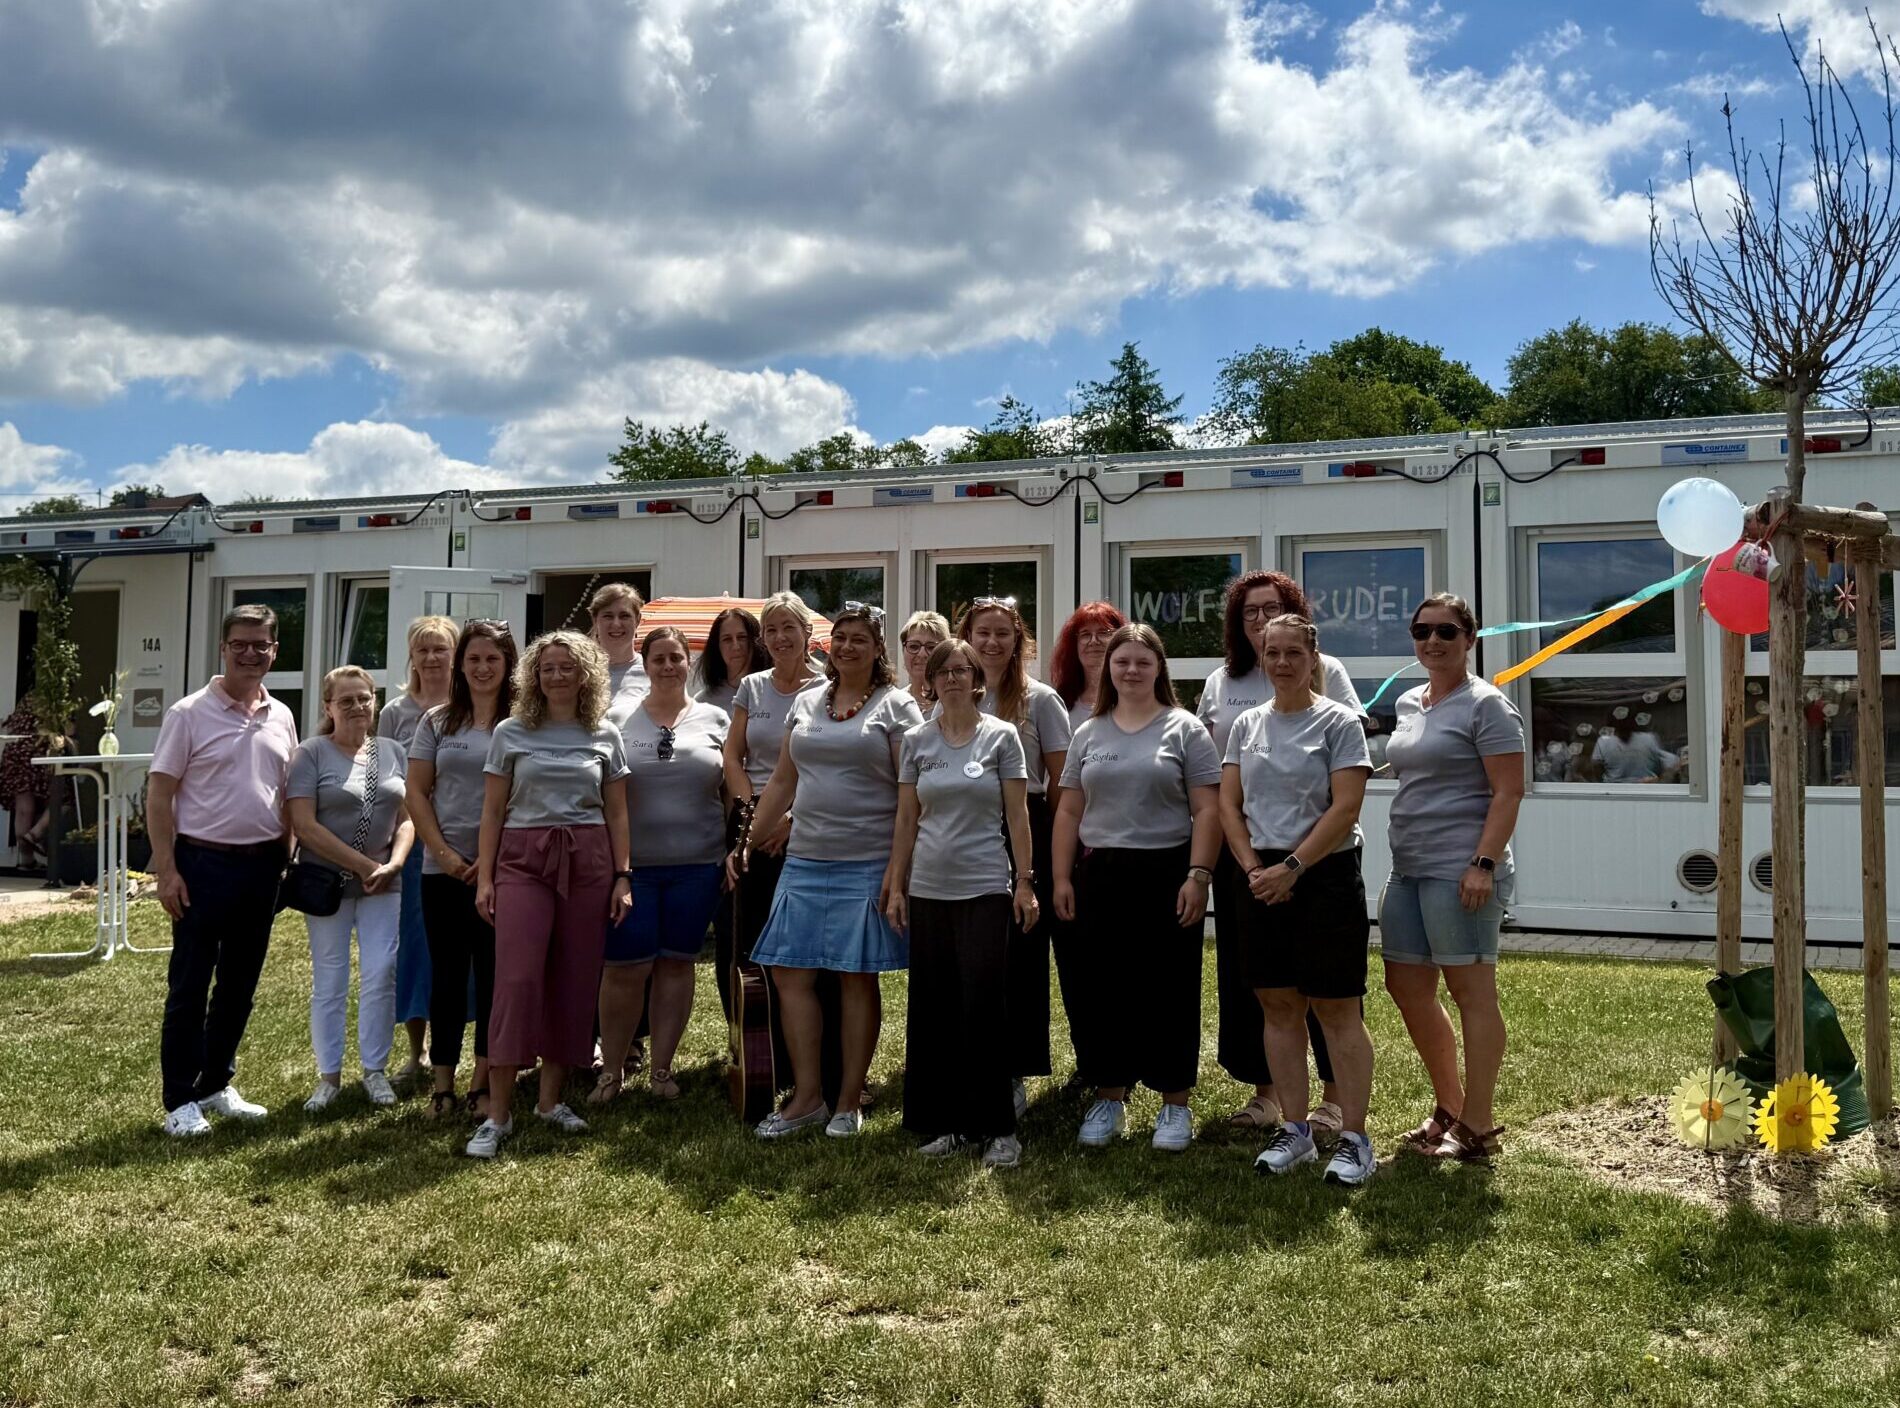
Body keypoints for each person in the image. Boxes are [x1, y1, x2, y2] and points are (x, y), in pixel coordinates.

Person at [737, 602, 923, 1139]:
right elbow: (780, 782)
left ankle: (848, 1101)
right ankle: (808, 1096)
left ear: (877, 648)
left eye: (859, 639)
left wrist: (896, 870)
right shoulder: (807, 701)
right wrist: (747, 842)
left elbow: (909, 798)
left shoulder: (897, 707)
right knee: (791, 975)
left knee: (853, 978)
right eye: (840, 637)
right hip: (805, 861)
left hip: (865, 862)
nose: (846, 647)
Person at [1218, 616, 1377, 1185]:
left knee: (1336, 1008)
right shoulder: (1245, 725)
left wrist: (1293, 868)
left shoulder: (1338, 722)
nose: (1281, 663)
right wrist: (1254, 869)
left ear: (1314, 659)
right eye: (1271, 653)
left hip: (1323, 873)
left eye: (1292, 653)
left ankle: (1355, 1138)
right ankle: (1295, 1130)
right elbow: (1229, 806)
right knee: (1279, 1007)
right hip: (1260, 875)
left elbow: (1346, 808)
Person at [1197, 571, 1356, 1137]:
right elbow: (1215, 771)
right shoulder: (1223, 683)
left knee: (1326, 988)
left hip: (1314, 858)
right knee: (1261, 983)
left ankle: (1334, 1102)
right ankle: (1269, 1096)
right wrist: (1246, 863)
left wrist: (1294, 866)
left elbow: (1344, 775)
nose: (1261, 623)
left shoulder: (1327, 673)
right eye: (1250, 615)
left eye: (1271, 610)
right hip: (1245, 854)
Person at [1052, 623, 1221, 1152]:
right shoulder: (1090, 732)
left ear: (1158, 669)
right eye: (1121, 661)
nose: (1130, 670)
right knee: (1103, 986)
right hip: (1100, 873)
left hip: (1168, 873)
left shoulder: (1185, 729)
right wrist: (1060, 877)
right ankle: (1109, 1095)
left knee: (1169, 986)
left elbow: (1207, 809)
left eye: (1142, 662)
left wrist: (1198, 875)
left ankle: (1175, 1104)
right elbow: (1070, 810)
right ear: (1109, 669)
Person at [468, 631, 633, 1158]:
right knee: (515, 980)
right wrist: (487, 877)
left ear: (585, 675)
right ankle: (497, 1115)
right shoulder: (512, 731)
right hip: (522, 860)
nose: (557, 675)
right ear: (533, 677)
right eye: (547, 668)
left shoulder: (605, 733)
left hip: (589, 860)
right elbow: (492, 811)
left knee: (574, 976)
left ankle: (549, 1101)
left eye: (567, 667)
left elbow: (618, 813)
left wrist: (623, 875)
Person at [1381, 593, 1526, 1164]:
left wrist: (1483, 863)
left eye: (1446, 631)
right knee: (1407, 988)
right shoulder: (1408, 702)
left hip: (1463, 870)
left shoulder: (1487, 705)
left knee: (1471, 993)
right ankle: (1449, 1105)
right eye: (1423, 631)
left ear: (1470, 638)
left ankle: (1479, 1126)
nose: (1433, 641)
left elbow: (1509, 791)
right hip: (1408, 867)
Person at [148, 604, 300, 1137]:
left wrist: (287, 857)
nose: (250, 653)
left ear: (275, 651)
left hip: (261, 868)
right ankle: (179, 1100)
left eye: (261, 644)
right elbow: (159, 795)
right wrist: (166, 871)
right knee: (190, 984)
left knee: (239, 985)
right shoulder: (188, 714)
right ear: (223, 646)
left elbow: (285, 795)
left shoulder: (281, 715)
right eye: (240, 643)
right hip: (201, 864)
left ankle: (215, 1083)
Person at [887, 639, 1036, 1168]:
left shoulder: (1002, 737)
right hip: (928, 889)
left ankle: (998, 1128)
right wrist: (897, 883)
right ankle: (945, 1122)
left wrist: (1025, 881)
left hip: (985, 889)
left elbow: (1018, 817)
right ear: (930, 680)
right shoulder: (916, 740)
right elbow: (907, 819)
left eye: (961, 669)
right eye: (942, 670)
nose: (952, 677)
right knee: (935, 1008)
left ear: (977, 678)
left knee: (983, 1007)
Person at [594, 627, 728, 1103]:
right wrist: (616, 867)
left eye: (676, 658)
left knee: (676, 963)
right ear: (644, 663)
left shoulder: (715, 717)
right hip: (634, 868)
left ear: (688, 662)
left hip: (699, 864)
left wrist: (734, 848)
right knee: (624, 968)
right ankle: (611, 1070)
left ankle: (662, 1070)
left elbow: (731, 789)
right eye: (659, 659)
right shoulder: (617, 718)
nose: (668, 666)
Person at [955, 595, 1071, 1117]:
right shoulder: (951, 695)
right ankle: (970, 1062)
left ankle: (1017, 1070)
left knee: (1021, 954)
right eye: (982, 632)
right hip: (962, 828)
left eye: (1003, 633)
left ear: (1018, 641)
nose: (992, 642)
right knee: (971, 951)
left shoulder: (1042, 701)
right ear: (967, 637)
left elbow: (1063, 782)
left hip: (1027, 825)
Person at [289, 665, 414, 1112]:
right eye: (347, 700)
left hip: (384, 884)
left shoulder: (393, 750)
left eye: (364, 697)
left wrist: (395, 862)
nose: (358, 706)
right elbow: (303, 824)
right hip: (327, 885)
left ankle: (375, 1071)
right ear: (328, 707)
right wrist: (364, 864)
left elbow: (406, 817)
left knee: (381, 973)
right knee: (331, 978)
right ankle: (329, 1076)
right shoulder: (311, 754)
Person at [406, 620, 517, 1120]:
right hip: (443, 872)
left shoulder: (523, 723)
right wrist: (448, 858)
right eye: (473, 658)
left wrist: (488, 865)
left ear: (507, 664)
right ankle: (442, 1083)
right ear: (460, 665)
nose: (482, 667)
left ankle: (481, 1080)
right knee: (448, 976)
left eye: (492, 658)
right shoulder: (436, 722)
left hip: (508, 872)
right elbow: (415, 792)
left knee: (495, 977)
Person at [719, 593, 826, 1034]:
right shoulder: (753, 686)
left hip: (805, 822)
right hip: (752, 819)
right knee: (746, 937)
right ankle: (753, 1044)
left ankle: (805, 1037)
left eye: (789, 628)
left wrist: (791, 818)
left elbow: (825, 768)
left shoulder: (827, 688)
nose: (780, 637)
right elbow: (732, 755)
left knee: (801, 940)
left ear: (808, 634)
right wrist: (752, 813)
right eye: (772, 630)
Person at [379, 614, 458, 1086]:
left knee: (463, 949)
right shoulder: (394, 713)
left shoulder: (472, 708)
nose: (431, 657)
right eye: (423, 649)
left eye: (440, 649)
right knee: (416, 946)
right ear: (412, 656)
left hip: (466, 842)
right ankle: (417, 1050)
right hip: (413, 848)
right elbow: (391, 782)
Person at [1049, 601, 1128, 730]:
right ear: (1074, 645)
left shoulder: (1131, 696)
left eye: (1103, 632)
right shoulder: (1061, 701)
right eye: (1085, 634)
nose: (1093, 641)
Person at [591, 583, 649, 728]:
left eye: (624, 616)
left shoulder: (653, 671)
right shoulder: (579, 672)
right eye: (608, 616)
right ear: (595, 620)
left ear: (638, 620)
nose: (616, 624)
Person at [2, 696, 51, 867]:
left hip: (14, 751)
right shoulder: (55, 701)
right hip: (36, 752)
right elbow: (67, 731)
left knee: (24, 809)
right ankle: (34, 835)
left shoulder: (27, 700)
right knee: (64, 799)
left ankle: (26, 861)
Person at [694, 607, 769, 717]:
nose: (736, 646)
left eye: (742, 637)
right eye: (727, 639)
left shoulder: (774, 692)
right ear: (717, 647)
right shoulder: (703, 702)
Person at [897, 610, 952, 704]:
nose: (922, 654)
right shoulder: (893, 704)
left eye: (931, 647)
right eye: (914, 646)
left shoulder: (956, 701)